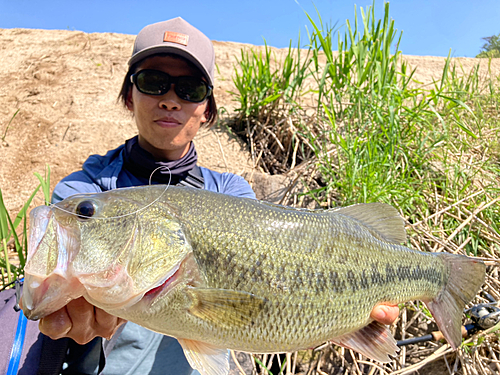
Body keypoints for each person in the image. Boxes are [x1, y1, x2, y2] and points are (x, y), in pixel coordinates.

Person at [34, 17, 400, 375]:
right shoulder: (83, 194)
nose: (170, 101)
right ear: (129, 95)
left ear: (207, 109)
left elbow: (258, 305)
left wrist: (330, 315)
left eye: (189, 89)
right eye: (154, 82)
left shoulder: (231, 193)